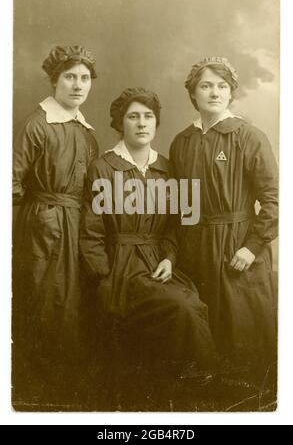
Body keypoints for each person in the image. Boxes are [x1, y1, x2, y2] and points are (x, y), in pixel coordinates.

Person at [79, 87, 219, 409]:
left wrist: (169, 258)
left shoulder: (168, 169)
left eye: (148, 117)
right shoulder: (103, 168)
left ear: (156, 123)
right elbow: (91, 232)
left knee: (192, 302)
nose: (142, 124)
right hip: (120, 267)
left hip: (158, 262)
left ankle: (193, 390)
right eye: (133, 117)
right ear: (119, 123)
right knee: (180, 308)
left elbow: (174, 226)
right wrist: (104, 277)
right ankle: (204, 380)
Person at [169, 57, 278, 383]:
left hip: (238, 245)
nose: (214, 92)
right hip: (196, 248)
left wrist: (252, 246)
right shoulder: (182, 141)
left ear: (231, 93)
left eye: (222, 85)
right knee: (203, 330)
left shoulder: (248, 136)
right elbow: (179, 206)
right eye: (205, 85)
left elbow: (273, 200)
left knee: (242, 330)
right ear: (193, 93)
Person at [12, 45, 99, 407]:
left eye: (84, 78)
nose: (78, 85)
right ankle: (40, 392)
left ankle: (70, 388)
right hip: (43, 225)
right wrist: (37, 220)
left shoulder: (86, 131)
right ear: (54, 80)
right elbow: (11, 183)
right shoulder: (35, 125)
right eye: (69, 77)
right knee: (46, 300)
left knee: (75, 301)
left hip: (78, 223)